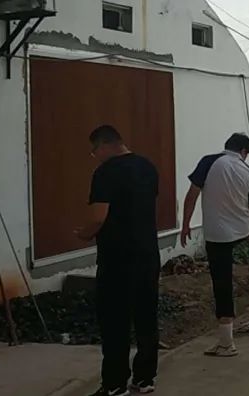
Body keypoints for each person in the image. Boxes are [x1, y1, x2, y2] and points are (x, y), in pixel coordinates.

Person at [74, 125, 160, 396]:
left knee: (115, 322)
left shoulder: (106, 173)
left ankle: (114, 384)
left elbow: (99, 216)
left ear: (104, 145)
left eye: (94, 151)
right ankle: (145, 379)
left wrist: (84, 234)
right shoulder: (148, 167)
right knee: (146, 318)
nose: (94, 156)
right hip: (148, 254)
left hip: (117, 259)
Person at [179, 133, 249, 357]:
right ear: (244, 152)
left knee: (222, 285)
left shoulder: (208, 162)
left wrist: (185, 224)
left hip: (218, 235)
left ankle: (226, 343)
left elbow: (192, 195)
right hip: (243, 228)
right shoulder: (248, 171)